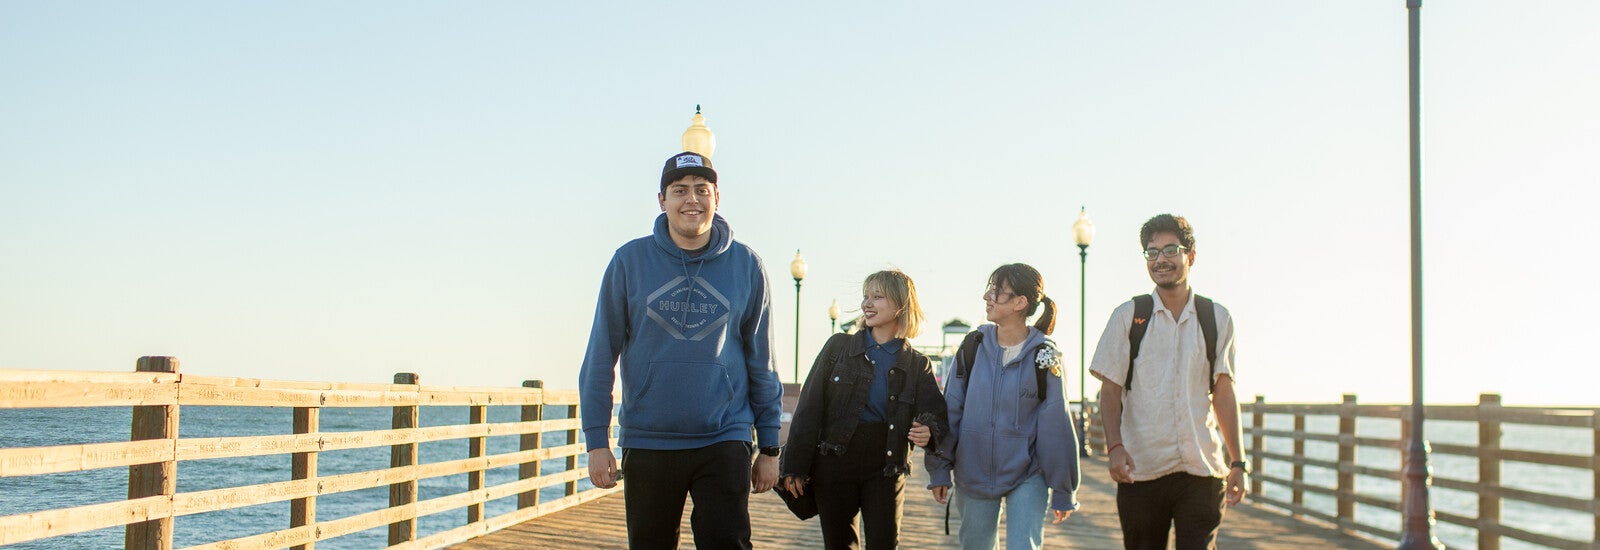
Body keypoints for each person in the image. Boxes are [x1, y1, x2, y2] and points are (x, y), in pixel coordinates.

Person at [578, 151, 784, 550]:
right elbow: (600, 356)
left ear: (716, 198)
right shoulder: (628, 262)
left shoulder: (747, 266)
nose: (692, 200)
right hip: (649, 439)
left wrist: (771, 446)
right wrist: (596, 441)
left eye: (701, 190)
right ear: (662, 201)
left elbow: (763, 362)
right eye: (680, 190)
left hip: (724, 436)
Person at [1089, 213, 1246, 550]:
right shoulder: (1128, 316)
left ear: (1190, 256)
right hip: (1141, 470)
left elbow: (1223, 392)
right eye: (1152, 252)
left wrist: (1238, 462)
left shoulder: (1216, 318)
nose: (1160, 259)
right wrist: (1114, 448)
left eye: (1170, 250)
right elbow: (1111, 391)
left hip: (1202, 469)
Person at [780, 270, 949, 549]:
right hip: (833, 464)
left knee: (884, 544)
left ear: (901, 305)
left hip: (885, 467)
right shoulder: (838, 347)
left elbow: (936, 413)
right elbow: (809, 408)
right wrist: (794, 466)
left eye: (877, 297)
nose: (867, 304)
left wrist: (929, 431)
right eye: (865, 296)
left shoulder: (918, 364)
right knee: (839, 545)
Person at [927, 263, 1081, 550]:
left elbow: (1056, 423)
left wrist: (1063, 489)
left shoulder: (1045, 356)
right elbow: (952, 410)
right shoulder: (972, 347)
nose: (987, 297)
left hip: (1027, 473)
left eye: (997, 292)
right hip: (972, 470)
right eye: (989, 290)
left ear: (1020, 303)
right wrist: (939, 468)